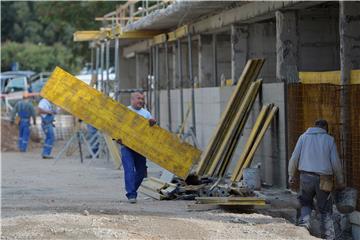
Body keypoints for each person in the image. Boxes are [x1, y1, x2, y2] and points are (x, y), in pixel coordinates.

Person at [288, 119, 345, 240]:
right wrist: (340, 181)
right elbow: (336, 163)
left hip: (306, 177)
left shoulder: (303, 137)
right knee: (325, 210)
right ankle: (328, 237)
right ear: (325, 128)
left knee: (306, 203)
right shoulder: (329, 140)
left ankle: (303, 230)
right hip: (324, 179)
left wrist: (291, 174)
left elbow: (294, 157)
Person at [117, 91, 156, 204]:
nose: (141, 101)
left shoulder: (146, 114)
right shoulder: (126, 111)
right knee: (129, 169)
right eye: (138, 98)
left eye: (142, 99)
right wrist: (118, 138)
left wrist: (153, 124)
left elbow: (152, 131)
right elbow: (118, 126)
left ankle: (131, 188)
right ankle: (131, 194)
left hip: (140, 146)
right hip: (127, 146)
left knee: (142, 170)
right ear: (132, 100)